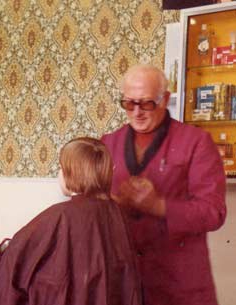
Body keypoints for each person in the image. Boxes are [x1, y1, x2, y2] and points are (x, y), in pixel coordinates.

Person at [101, 64, 226, 305]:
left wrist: (158, 206)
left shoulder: (196, 142)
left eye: (147, 103)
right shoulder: (108, 143)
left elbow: (214, 212)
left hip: (180, 285)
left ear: (165, 99)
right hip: (124, 282)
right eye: (129, 103)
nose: (137, 112)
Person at [0, 137, 142, 305]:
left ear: (73, 172)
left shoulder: (61, 215)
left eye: (61, 167)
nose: (59, 173)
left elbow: (15, 259)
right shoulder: (116, 213)